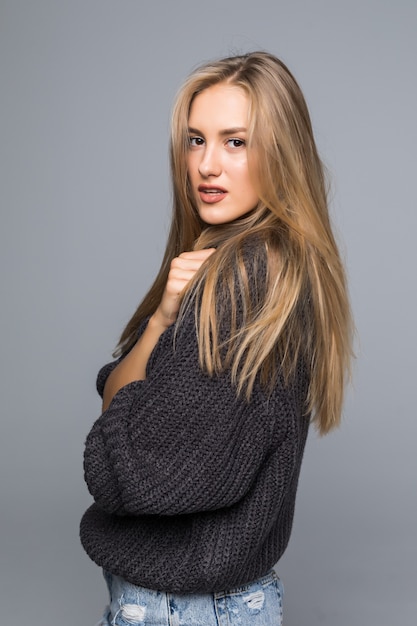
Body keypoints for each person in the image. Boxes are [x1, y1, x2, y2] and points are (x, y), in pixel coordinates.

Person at [80, 51, 353, 625]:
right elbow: (122, 406)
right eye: (195, 140)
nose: (207, 165)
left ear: (281, 152)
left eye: (236, 142)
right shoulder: (245, 267)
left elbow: (133, 475)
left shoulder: (244, 281)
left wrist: (115, 432)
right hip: (214, 602)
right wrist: (160, 320)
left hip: (183, 610)